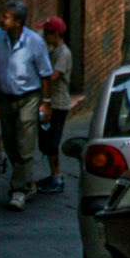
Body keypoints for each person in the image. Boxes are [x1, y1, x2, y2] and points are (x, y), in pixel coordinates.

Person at [0, 0, 52, 210]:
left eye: (6, 17)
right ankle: (28, 182)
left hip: (28, 98)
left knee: (25, 145)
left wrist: (46, 102)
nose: (1, 20)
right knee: (10, 144)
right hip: (5, 97)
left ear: (18, 22)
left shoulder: (34, 42)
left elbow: (45, 74)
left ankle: (18, 191)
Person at [36, 16, 72, 194]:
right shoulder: (52, 51)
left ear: (55, 34)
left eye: (47, 32)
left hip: (57, 104)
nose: (44, 36)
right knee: (46, 140)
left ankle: (57, 177)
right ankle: (53, 175)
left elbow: (53, 76)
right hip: (49, 102)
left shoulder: (63, 53)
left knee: (52, 141)